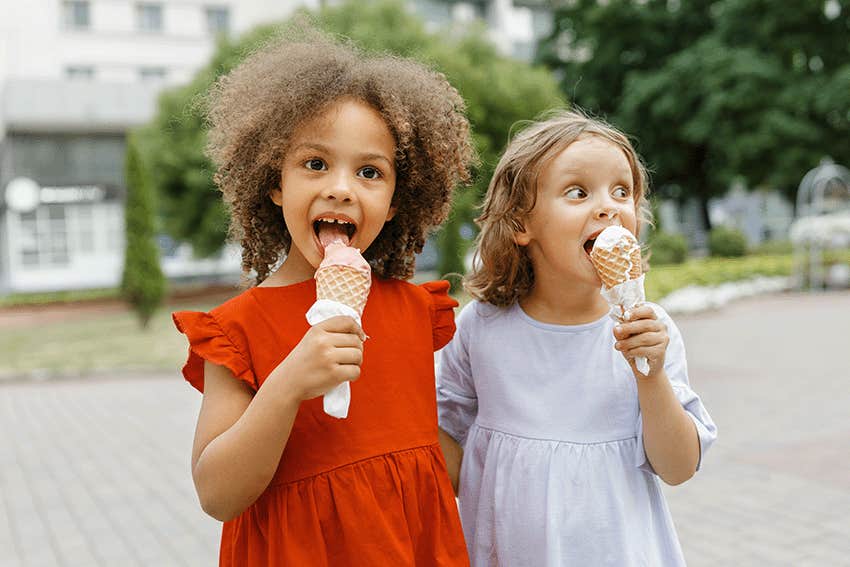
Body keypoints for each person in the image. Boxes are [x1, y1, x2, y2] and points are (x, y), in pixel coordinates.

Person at [172, 30, 475, 566]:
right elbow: (218, 495)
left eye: (369, 172)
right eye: (315, 164)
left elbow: (432, 465)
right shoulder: (234, 330)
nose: (341, 188)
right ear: (275, 184)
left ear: (396, 200)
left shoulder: (416, 312)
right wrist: (289, 383)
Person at [436, 109, 717, 566]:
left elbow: (678, 467)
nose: (608, 206)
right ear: (521, 224)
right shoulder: (481, 327)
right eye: (578, 191)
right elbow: (444, 455)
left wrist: (651, 375)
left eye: (622, 191)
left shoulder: (652, 332)